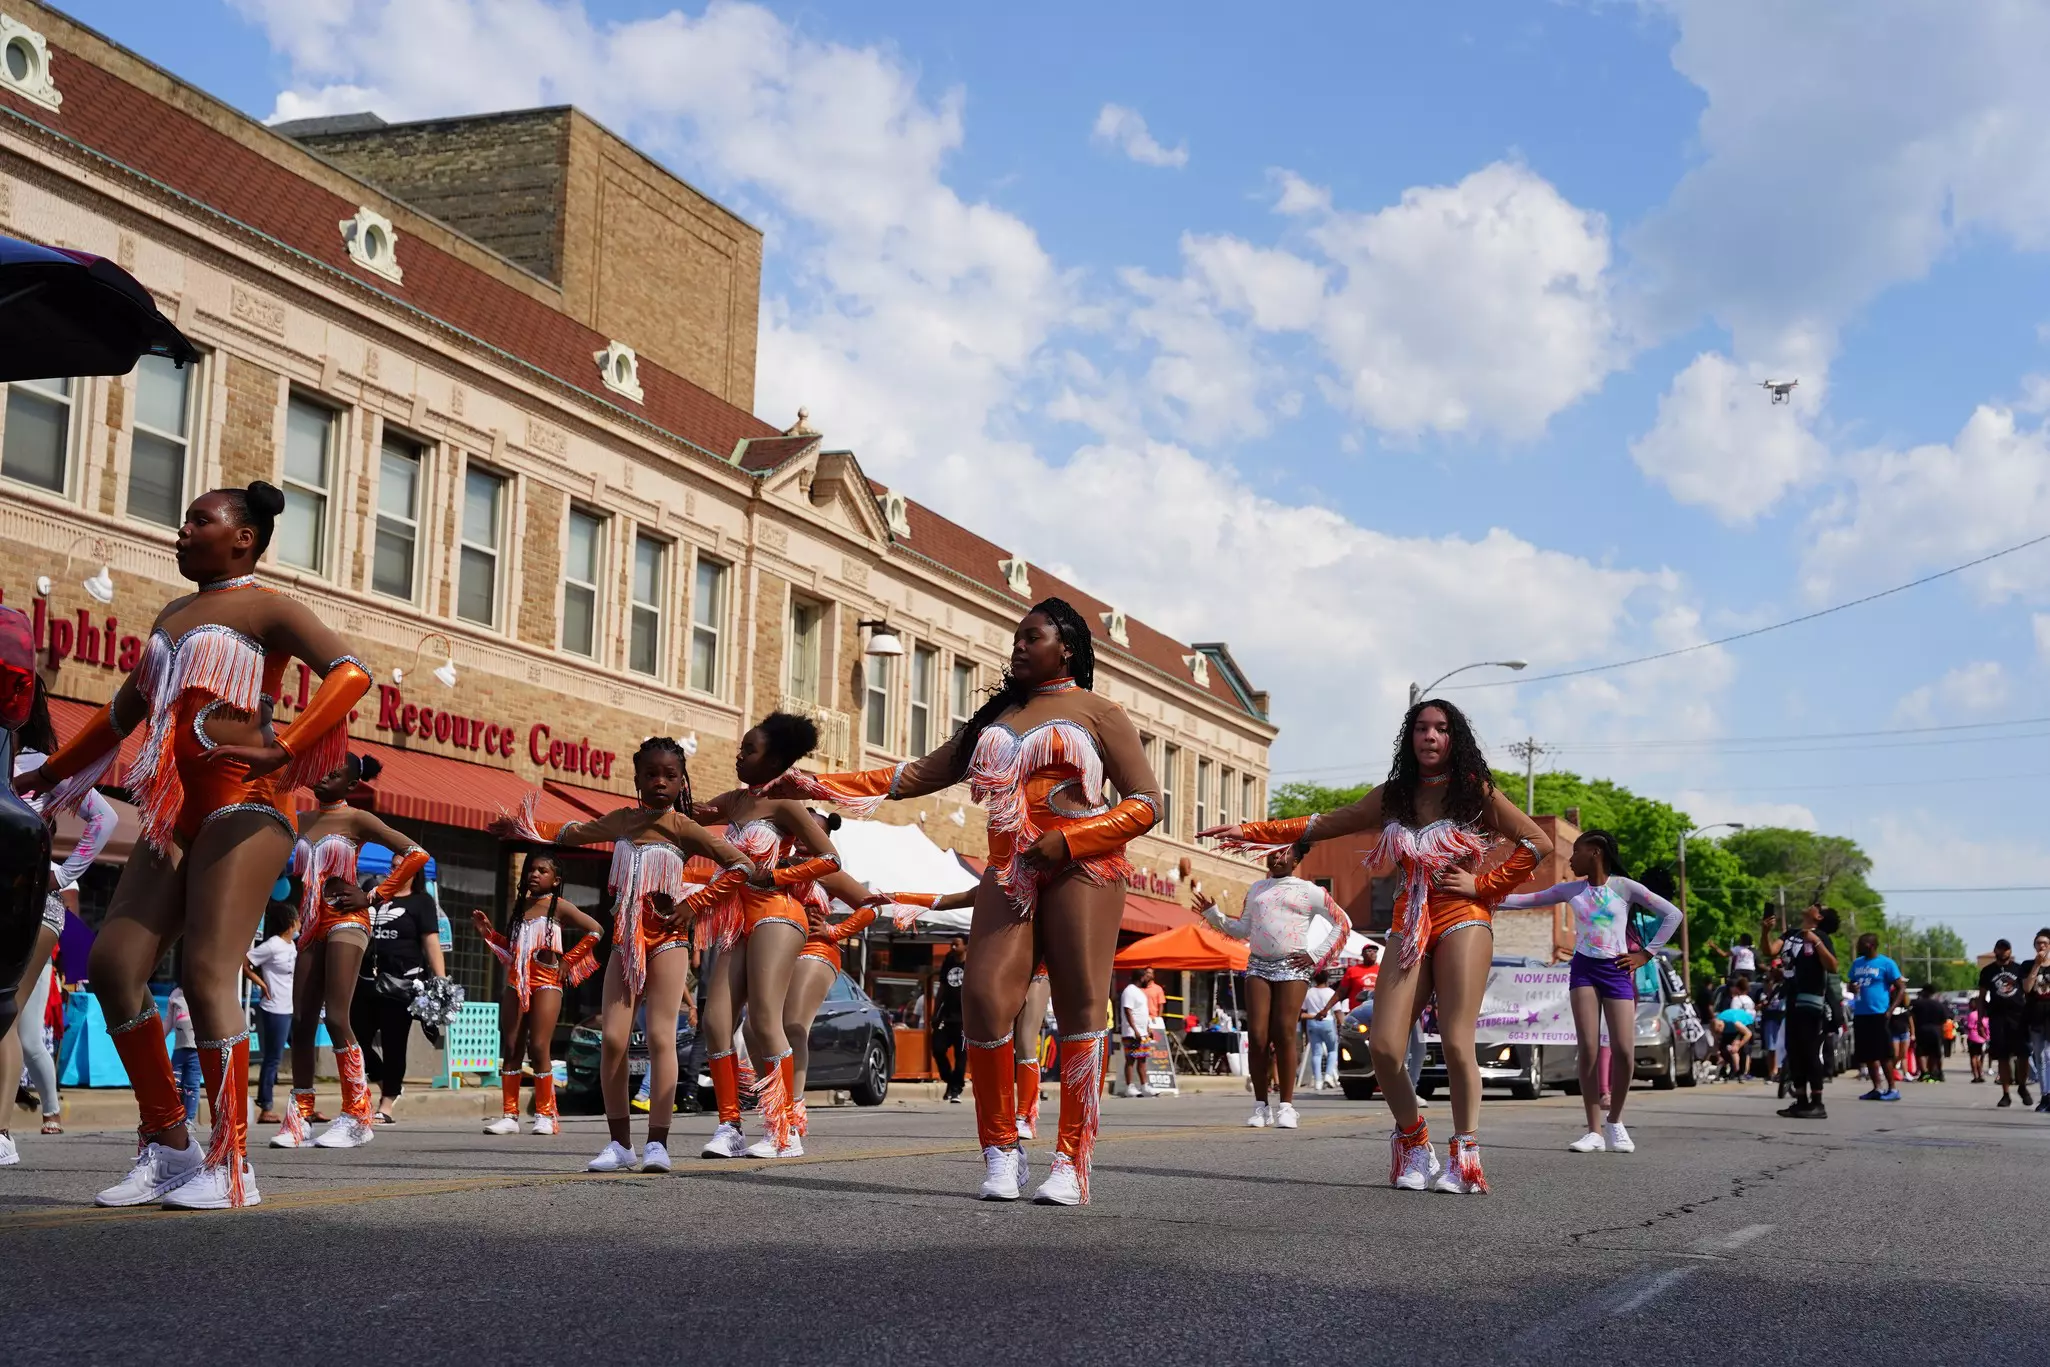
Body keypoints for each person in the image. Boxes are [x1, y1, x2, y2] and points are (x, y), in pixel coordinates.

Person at [15, 481, 372, 1209]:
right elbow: (122, 714)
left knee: (209, 971)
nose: (180, 531)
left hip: (246, 806)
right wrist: (42, 776)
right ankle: (170, 1142)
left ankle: (233, 1161)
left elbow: (350, 672)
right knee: (116, 964)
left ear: (243, 536)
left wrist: (290, 748)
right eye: (182, 520)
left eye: (197, 521)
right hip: (173, 808)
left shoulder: (266, 605)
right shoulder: (174, 615)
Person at [777, 599, 1162, 1205]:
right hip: (1009, 871)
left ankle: (1071, 1161)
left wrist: (1068, 843)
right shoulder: (996, 716)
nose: (1017, 647)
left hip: (1082, 867)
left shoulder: (1100, 712)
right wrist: (820, 784)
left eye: (1030, 637)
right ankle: (1000, 1151)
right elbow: (912, 775)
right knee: (984, 1001)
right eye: (1015, 637)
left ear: (1066, 647)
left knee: (1082, 1005)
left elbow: (1145, 803)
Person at [1201, 697, 1551, 1194]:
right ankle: (1415, 1142)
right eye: (1421, 728)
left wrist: (1486, 885)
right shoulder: (1393, 796)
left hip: (1462, 916)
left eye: (1441, 729)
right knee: (1383, 1045)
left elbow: (1538, 842)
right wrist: (1251, 832)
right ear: (1410, 738)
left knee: (1455, 1040)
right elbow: (1324, 823)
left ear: (1455, 739)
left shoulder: (1475, 794)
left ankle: (1465, 1155)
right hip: (1409, 923)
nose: (1430, 737)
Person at [496, 736, 765, 1170]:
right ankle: (620, 1144)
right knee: (614, 1042)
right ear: (637, 777)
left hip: (667, 943)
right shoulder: (621, 820)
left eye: (670, 776)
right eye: (651, 774)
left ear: (682, 782)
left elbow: (741, 865)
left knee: (661, 1039)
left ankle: (657, 1142)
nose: (660, 782)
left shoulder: (683, 827)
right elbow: (573, 832)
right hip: (624, 943)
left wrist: (692, 905)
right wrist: (525, 829)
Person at [680, 715, 883, 1161]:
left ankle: (784, 1129)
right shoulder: (734, 802)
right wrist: (671, 775)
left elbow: (830, 859)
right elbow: (686, 816)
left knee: (766, 1021)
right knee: (716, 1020)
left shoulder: (788, 805)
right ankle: (729, 1125)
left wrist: (778, 875)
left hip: (777, 912)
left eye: (748, 750)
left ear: (773, 758)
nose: (738, 755)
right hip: (736, 915)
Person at [277, 753, 432, 1151]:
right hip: (310, 925)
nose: (324, 776)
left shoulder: (358, 818)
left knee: (338, 1016)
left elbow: (417, 853)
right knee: (301, 1019)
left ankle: (358, 1115)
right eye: (321, 768)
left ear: (350, 785)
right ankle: (301, 1115)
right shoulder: (302, 820)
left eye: (335, 773)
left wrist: (373, 894)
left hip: (348, 921)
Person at [1497, 828, 1682, 1153]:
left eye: (1576, 852)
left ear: (1595, 852)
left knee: (1624, 1051)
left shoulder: (1625, 888)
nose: (1570, 860)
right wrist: (1481, 894)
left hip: (1617, 970)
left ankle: (1616, 1122)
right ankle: (1594, 1130)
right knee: (1590, 1048)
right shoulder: (1571, 890)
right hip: (1584, 968)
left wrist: (1645, 954)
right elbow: (1525, 900)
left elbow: (1673, 915)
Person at [2, 677, 116, 1152]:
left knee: (4, 1015)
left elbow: (104, 818)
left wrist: (64, 873)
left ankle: (3, 1133)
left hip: (28, 906)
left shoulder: (38, 767)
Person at [1193, 843, 1346, 1126]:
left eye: (1283, 853)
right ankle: (1261, 1106)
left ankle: (1287, 1106)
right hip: (1258, 965)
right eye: (1272, 853)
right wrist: (1214, 915)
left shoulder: (1310, 890)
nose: (1276, 857)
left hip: (1292, 967)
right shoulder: (1256, 889)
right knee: (1259, 1036)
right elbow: (1241, 930)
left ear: (1296, 859)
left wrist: (1314, 955)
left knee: (1285, 1033)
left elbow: (1341, 922)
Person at [472, 852, 600, 1141]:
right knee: (512, 1045)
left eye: (542, 871)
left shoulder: (560, 907)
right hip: (516, 981)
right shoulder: (520, 906)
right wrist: (488, 933)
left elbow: (596, 930)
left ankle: (545, 1114)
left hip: (546, 981)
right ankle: (509, 1116)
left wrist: (570, 959)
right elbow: (511, 951)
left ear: (555, 881)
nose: (534, 874)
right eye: (531, 869)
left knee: (540, 1046)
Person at [351, 853, 449, 1123]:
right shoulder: (374, 896)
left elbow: (431, 942)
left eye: (400, 866)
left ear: (414, 871)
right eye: (392, 866)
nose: (394, 870)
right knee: (355, 1039)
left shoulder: (421, 902)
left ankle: (386, 1105)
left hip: (402, 985)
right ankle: (387, 1084)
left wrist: (440, 980)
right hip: (366, 980)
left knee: (395, 1043)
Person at [1763, 902, 1839, 1119]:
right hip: (1792, 999)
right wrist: (1766, 931)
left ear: (1820, 917)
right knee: (1793, 1049)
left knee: (1809, 1051)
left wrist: (1816, 943)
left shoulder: (1821, 937)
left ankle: (1817, 1103)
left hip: (1811, 1001)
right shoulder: (1790, 934)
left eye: (1817, 906)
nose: (1810, 905)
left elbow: (1833, 966)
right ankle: (1800, 1100)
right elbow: (1770, 951)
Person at [240, 894, 299, 1124]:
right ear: (290, 921)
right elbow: (245, 962)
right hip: (276, 1007)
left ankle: (304, 1103)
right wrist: (261, 983)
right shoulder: (273, 945)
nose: (300, 924)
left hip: (293, 1007)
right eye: (298, 920)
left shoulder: (292, 944)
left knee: (301, 1053)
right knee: (273, 1058)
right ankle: (266, 1106)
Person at [1848, 933, 1905, 1101]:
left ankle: (1892, 1089)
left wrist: (1890, 1009)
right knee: (1868, 1054)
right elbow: (1851, 982)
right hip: (1861, 1013)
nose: (1858, 946)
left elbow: (1901, 988)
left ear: (1870, 945)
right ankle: (1877, 1088)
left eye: (1861, 943)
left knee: (1884, 1053)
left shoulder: (1886, 963)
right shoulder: (1857, 963)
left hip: (1879, 1013)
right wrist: (1852, 987)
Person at [1977, 939, 2033, 1108]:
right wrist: (1980, 1020)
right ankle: (2006, 1093)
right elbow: (1981, 998)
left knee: (2023, 1054)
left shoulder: (2019, 969)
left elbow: (2028, 991)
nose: (2002, 952)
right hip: (1997, 1018)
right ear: (1995, 950)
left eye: (2005, 949)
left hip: (2019, 1017)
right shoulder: (1987, 971)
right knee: (2002, 1056)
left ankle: (2022, 1086)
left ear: (2010, 951)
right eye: (1999, 949)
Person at [933, 937, 969, 1104]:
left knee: (961, 1055)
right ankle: (949, 1079)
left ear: (966, 946)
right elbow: (942, 987)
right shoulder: (948, 961)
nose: (953, 946)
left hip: (966, 1017)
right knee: (938, 1048)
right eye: (952, 944)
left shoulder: (972, 963)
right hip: (947, 1015)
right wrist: (935, 1011)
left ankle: (956, 1089)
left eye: (957, 943)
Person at [165, 986, 201, 1127]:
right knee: (175, 1083)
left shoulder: (201, 989)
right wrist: (158, 1039)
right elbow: (169, 1020)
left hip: (196, 1050)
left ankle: (189, 1120)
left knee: (191, 1084)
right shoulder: (175, 994)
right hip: (179, 1049)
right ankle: (176, 1119)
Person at [1303, 971, 1342, 1093]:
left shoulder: (1308, 993)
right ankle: (1328, 1075)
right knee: (1332, 1050)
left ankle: (1318, 1080)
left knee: (1316, 1053)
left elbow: (1302, 1011)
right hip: (1327, 1022)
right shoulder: (1331, 993)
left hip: (1312, 1021)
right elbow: (1337, 1011)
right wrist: (1342, 1025)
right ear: (1327, 979)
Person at [1120, 970, 1154, 1098]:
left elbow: (1142, 1012)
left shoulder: (1139, 992)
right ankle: (1129, 1087)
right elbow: (1128, 1011)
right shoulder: (1129, 991)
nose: (1148, 979)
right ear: (1141, 978)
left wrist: (1147, 1028)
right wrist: (1135, 1030)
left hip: (1142, 1032)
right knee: (1130, 1059)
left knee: (1142, 1059)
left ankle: (1144, 1085)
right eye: (1146, 977)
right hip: (1132, 1033)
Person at [2027, 928, 2050, 1113]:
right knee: (2040, 1057)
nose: (2041, 946)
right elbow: (2027, 988)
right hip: (2036, 1015)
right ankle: (2045, 1095)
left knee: (2049, 1056)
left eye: (2045, 943)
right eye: (2038, 943)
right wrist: (2036, 966)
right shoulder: (2028, 964)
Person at [1909, 984, 1951, 1083]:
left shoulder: (1917, 1004)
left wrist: (1912, 1032)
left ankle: (1924, 1073)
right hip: (1936, 1031)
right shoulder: (1939, 1005)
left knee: (1921, 1052)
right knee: (1935, 1053)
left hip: (1921, 1030)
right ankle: (1936, 1072)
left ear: (1924, 992)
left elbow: (1911, 1017)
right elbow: (1944, 1021)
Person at [1715, 995, 1756, 1081]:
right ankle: (1730, 1069)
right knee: (1723, 1048)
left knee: (1743, 1049)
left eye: (1720, 1031)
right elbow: (1717, 1039)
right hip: (1731, 1028)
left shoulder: (1733, 1021)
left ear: (1721, 1025)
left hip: (1746, 1024)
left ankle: (1741, 1073)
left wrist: (1739, 1045)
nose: (1720, 1033)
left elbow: (1748, 1034)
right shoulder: (1716, 1022)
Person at [1965, 999, 1989, 1083]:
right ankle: (1980, 1074)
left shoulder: (1972, 1014)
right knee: (1979, 1057)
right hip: (1982, 1039)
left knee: (1973, 1057)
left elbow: (1969, 1026)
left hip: (1973, 1037)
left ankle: (1975, 1076)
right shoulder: (1984, 1015)